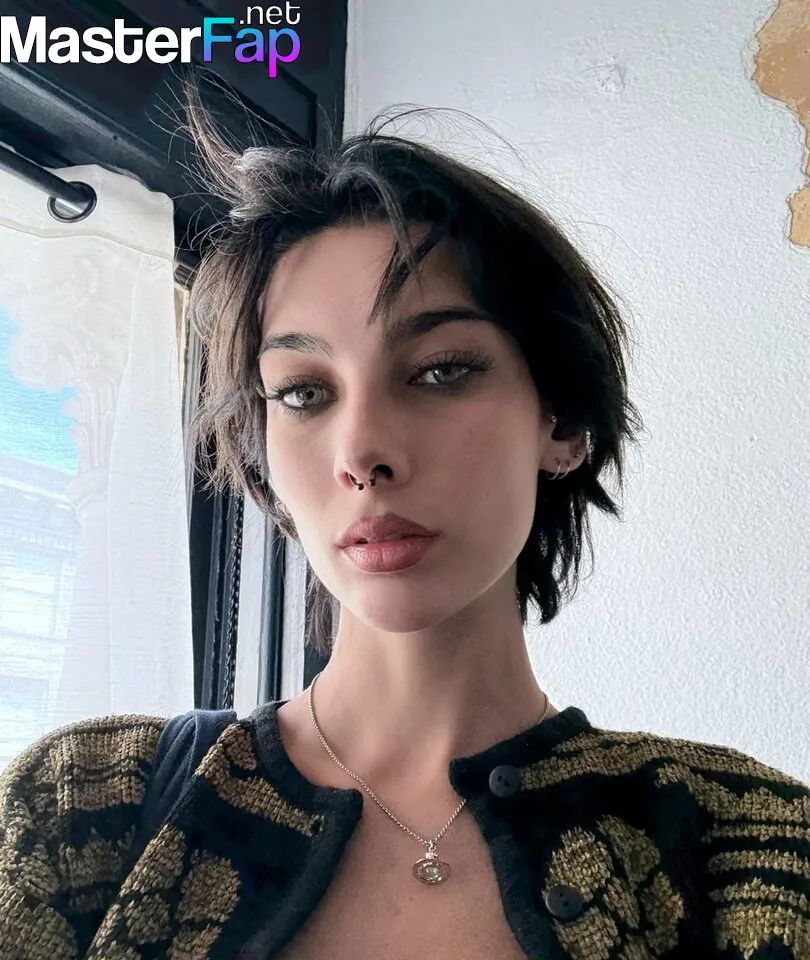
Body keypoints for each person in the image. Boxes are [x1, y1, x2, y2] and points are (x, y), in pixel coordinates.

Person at [1, 89, 808, 960]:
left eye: (440, 370)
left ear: (563, 422)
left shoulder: (750, 846)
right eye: (304, 393)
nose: (361, 453)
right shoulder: (78, 809)